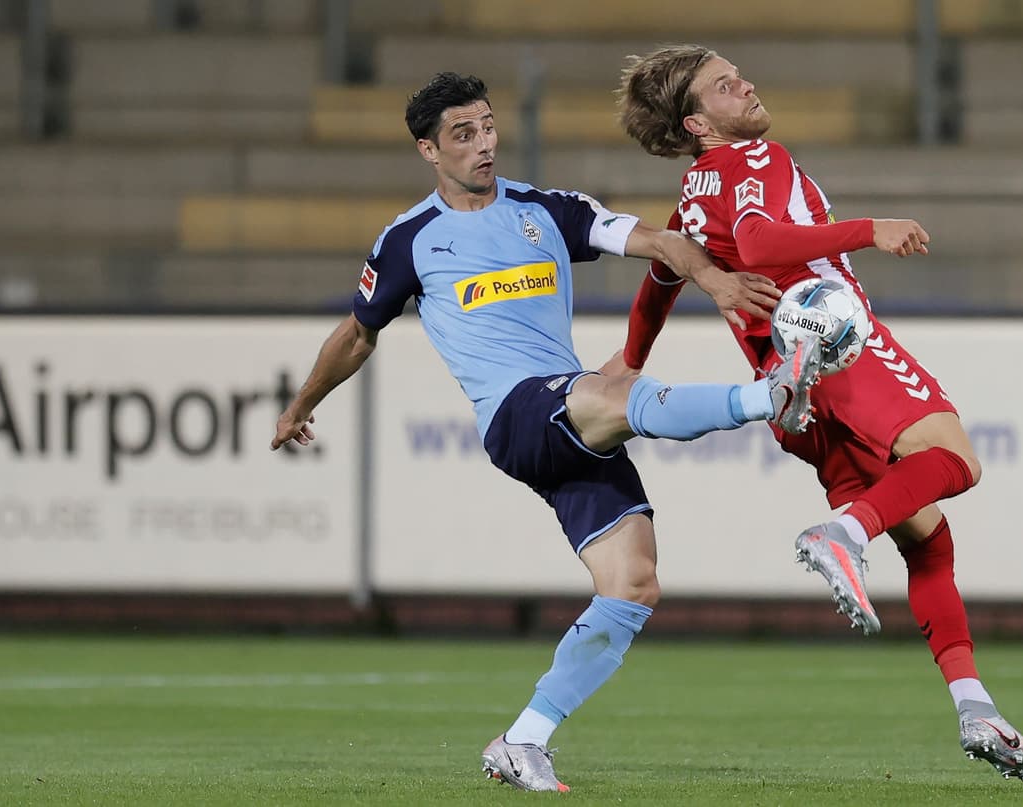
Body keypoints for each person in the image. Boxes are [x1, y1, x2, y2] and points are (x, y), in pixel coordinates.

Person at [270, 71, 823, 793]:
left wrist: (714, 279)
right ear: (428, 151)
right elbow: (357, 333)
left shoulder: (546, 210)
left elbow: (661, 241)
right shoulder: (410, 240)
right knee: (613, 389)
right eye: (463, 135)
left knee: (634, 584)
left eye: (488, 126)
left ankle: (523, 739)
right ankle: (769, 396)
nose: (484, 144)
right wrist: (299, 404)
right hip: (517, 415)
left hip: (568, 419)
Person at [613, 46, 1023, 780]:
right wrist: (866, 226)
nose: (745, 84)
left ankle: (977, 709)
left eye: (740, 73)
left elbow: (663, 273)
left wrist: (630, 360)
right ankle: (844, 532)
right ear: (697, 121)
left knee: (929, 543)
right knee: (955, 460)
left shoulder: (694, 191)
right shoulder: (754, 157)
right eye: (724, 85)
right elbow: (758, 242)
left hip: (790, 395)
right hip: (837, 348)